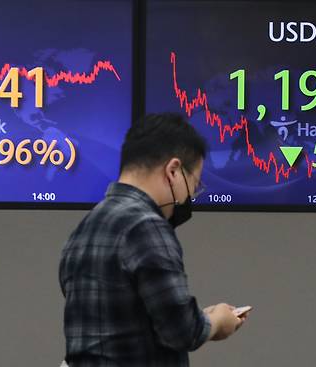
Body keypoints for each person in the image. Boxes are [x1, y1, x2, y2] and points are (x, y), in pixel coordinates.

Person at [59, 113, 247, 366]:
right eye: (194, 184)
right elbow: (181, 332)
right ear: (173, 171)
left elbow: (124, 326)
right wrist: (218, 322)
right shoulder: (147, 225)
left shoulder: (84, 229)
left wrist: (198, 318)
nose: (190, 196)